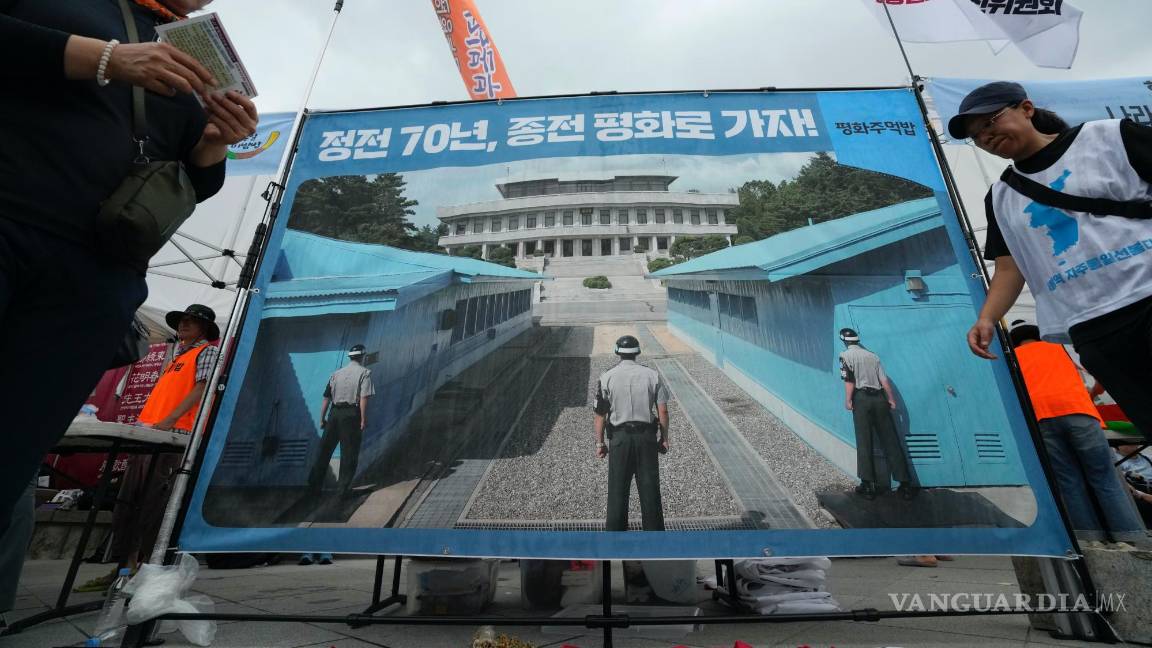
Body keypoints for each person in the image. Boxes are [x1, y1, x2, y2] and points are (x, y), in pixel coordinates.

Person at [0, 0, 259, 531]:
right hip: (13, 217)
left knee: (13, 452)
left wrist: (212, 144)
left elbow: (192, 181)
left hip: (98, 274)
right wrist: (105, 59)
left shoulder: (186, 45)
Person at [955, 81, 1152, 446]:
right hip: (1093, 330)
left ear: (1026, 108)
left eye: (991, 121)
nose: (986, 135)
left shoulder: (1109, 137)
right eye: (976, 135)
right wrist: (985, 318)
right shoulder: (1001, 196)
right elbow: (1009, 267)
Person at [76, 304, 221, 592]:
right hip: (148, 435)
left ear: (204, 328)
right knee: (128, 503)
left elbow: (202, 389)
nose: (184, 325)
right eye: (183, 320)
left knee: (154, 506)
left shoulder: (207, 352)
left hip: (173, 437)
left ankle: (145, 570)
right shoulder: (175, 357)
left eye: (192, 322)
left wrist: (168, 421)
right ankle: (125, 568)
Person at [1007, 320, 1146, 544]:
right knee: (1104, 476)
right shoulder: (1060, 347)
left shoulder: (1012, 358)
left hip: (1041, 418)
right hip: (1079, 413)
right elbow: (1101, 372)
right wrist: (1090, 395)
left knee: (1068, 480)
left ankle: (1088, 539)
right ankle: (1131, 538)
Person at [593, 335, 670, 531]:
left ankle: (616, 540)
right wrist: (664, 438)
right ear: (637, 353)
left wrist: (600, 443)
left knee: (618, 490)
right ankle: (655, 542)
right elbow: (663, 411)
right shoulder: (653, 376)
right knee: (650, 489)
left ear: (617, 352)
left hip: (620, 439)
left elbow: (600, 415)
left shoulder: (606, 377)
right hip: (647, 438)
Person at [838, 328, 916, 501]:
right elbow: (884, 380)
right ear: (857, 340)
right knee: (891, 440)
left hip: (862, 398)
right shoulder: (873, 356)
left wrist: (848, 400)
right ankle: (905, 484)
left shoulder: (845, 356)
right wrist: (891, 399)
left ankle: (869, 484)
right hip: (880, 398)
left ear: (843, 340)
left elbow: (849, 380)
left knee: (864, 440)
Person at [308, 344, 375, 496]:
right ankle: (342, 490)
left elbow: (326, 398)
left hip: (334, 414)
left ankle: (314, 486)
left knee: (324, 451)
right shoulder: (364, 373)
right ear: (362, 356)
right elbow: (364, 398)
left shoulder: (336, 374)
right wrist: (363, 419)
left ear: (350, 357)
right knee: (349, 452)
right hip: (351, 415)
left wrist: (322, 418)